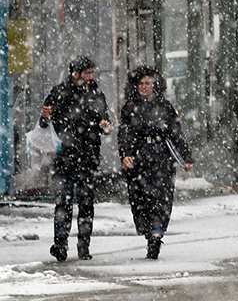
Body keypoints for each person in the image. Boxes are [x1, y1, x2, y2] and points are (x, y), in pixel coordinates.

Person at [42, 55, 113, 262]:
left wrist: (105, 125)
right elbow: (44, 123)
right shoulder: (58, 92)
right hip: (64, 157)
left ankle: (84, 245)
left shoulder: (96, 94)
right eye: (87, 73)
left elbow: (105, 120)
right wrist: (45, 116)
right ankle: (61, 244)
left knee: (86, 202)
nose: (91, 77)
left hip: (89, 156)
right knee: (63, 201)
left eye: (92, 73)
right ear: (76, 74)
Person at [118, 65, 193, 260]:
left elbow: (176, 133)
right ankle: (149, 232)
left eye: (148, 83)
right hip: (138, 158)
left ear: (155, 85)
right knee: (140, 198)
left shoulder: (165, 107)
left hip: (161, 157)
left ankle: (156, 236)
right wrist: (125, 154)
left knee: (161, 197)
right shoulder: (129, 108)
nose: (144, 87)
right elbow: (125, 133)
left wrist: (186, 157)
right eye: (141, 83)